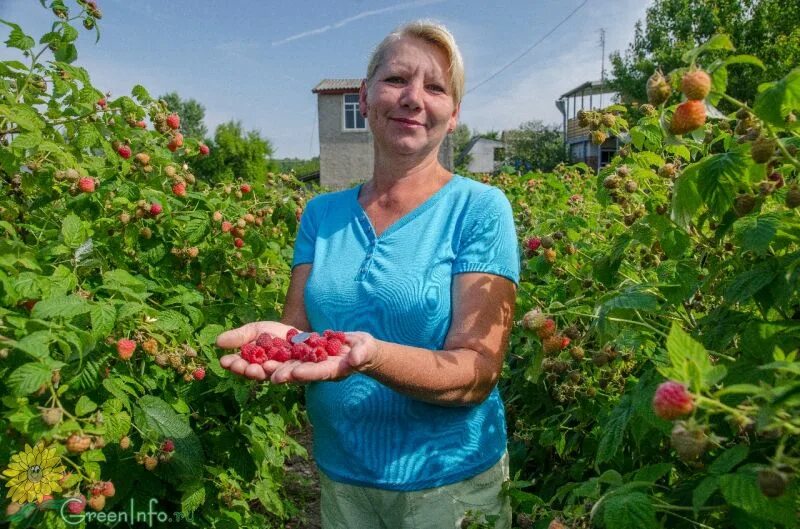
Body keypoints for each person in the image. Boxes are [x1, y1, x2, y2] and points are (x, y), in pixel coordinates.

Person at [217, 20, 519, 529]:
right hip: (343, 477)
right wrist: (278, 344)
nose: (413, 98)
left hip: (448, 484)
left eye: (436, 88)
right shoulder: (321, 214)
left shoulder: (480, 209)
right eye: (397, 79)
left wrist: (371, 357)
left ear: (454, 114)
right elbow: (299, 331)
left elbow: (477, 371)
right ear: (365, 95)